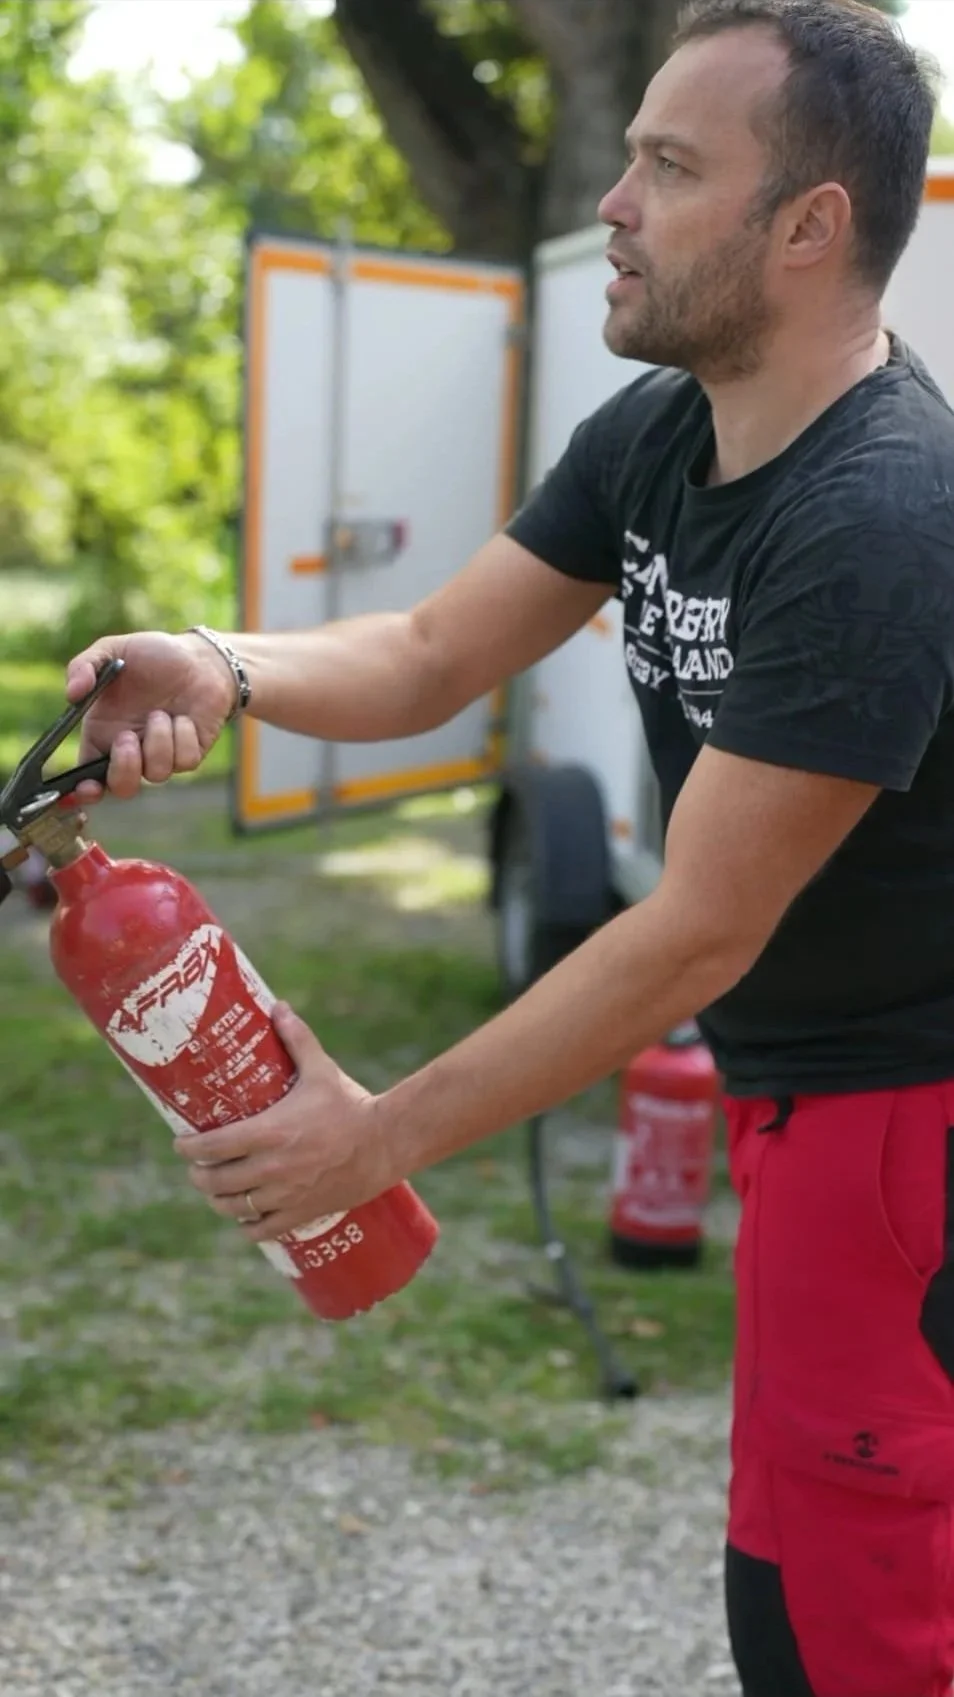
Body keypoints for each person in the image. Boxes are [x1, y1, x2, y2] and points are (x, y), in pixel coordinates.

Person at [65, 1, 954, 1691]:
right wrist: (223, 665)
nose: (611, 204)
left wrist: (376, 1139)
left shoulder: (882, 516)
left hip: (904, 1119)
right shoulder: (662, 434)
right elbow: (423, 655)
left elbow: (695, 928)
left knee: (863, 1621)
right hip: (796, 1099)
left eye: (666, 167)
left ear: (806, 227)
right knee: (785, 1574)